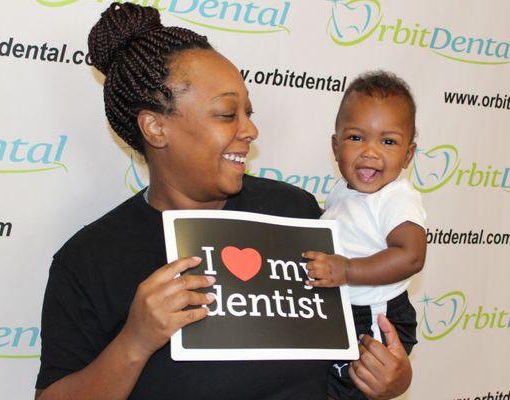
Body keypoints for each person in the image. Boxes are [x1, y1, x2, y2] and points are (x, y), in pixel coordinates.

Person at [34, 3, 412, 400]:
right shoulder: (90, 260)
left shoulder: (295, 212)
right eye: (227, 114)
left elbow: (362, 340)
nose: (250, 130)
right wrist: (135, 341)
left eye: (247, 111)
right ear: (156, 127)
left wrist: (390, 378)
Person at [303, 71, 427, 400]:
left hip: (374, 317)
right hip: (342, 308)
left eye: (388, 142)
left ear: (408, 155)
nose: (370, 152)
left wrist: (347, 270)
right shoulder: (342, 192)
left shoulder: (396, 197)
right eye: (357, 138)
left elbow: (410, 254)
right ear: (336, 145)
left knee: (349, 391)